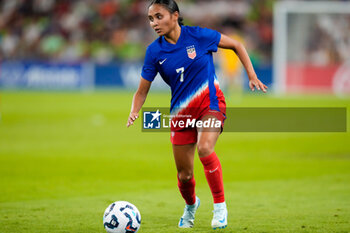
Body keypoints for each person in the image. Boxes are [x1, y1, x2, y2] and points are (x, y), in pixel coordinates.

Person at [126, 0, 267, 229]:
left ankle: (220, 207)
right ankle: (191, 205)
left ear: (175, 16)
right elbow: (142, 91)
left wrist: (251, 75)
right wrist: (134, 110)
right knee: (184, 175)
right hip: (181, 113)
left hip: (210, 104)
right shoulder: (154, 51)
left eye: (159, 16)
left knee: (205, 148)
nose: (154, 23)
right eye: (151, 19)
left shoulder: (199, 36)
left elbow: (237, 46)